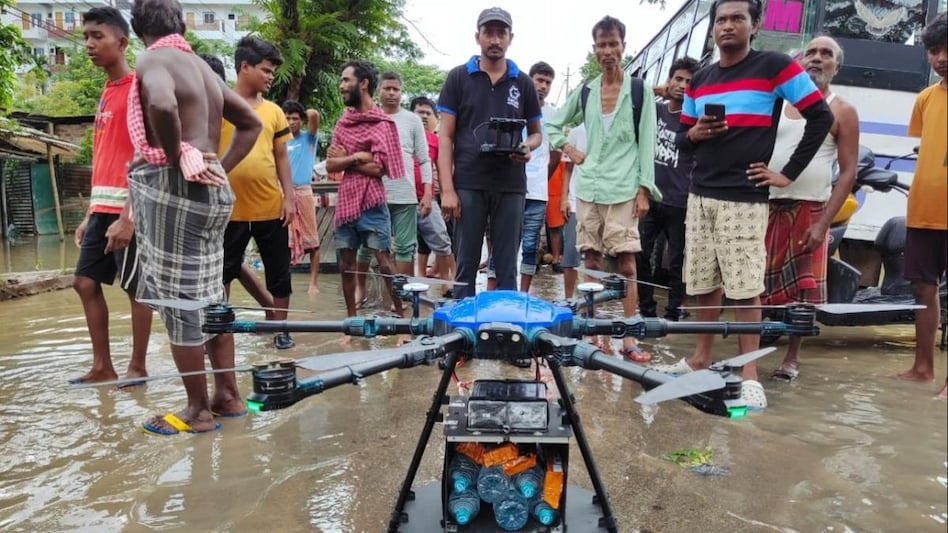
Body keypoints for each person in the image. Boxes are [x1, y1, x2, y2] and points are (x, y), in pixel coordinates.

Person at [654, 0, 834, 410]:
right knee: (701, 282)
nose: (728, 26)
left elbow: (819, 117)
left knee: (745, 288)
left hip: (745, 195)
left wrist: (785, 173)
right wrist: (696, 132)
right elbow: (683, 139)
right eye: (721, 20)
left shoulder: (774, 66)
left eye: (738, 18)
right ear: (713, 29)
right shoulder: (700, 79)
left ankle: (748, 371)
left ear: (755, 25)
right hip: (700, 194)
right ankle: (701, 357)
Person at [127, 0, 261, 434]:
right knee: (210, 296)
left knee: (179, 302)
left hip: (176, 190)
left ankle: (198, 410)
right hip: (212, 191)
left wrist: (176, 157)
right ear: (181, 23)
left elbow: (163, 107)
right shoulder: (202, 68)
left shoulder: (152, 57)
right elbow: (250, 123)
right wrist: (216, 164)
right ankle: (228, 395)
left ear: (136, 27)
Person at [546, 15, 659, 362]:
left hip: (624, 188)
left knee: (626, 263)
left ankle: (629, 335)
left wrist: (645, 190)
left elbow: (646, 144)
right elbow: (552, 123)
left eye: (614, 44)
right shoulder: (586, 91)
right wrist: (569, 147)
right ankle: (594, 331)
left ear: (624, 47)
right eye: (602, 45)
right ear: (594, 49)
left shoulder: (640, 91)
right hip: (590, 188)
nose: (608, 51)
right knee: (590, 260)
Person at [762, 36, 859, 382]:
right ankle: (753, 352)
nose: (817, 59)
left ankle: (792, 358)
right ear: (799, 62)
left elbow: (848, 172)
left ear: (837, 66)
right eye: (811, 53)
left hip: (811, 210)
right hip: (767, 206)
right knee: (756, 287)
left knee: (804, 293)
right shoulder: (777, 102)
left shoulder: (841, 110)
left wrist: (824, 225)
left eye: (826, 54)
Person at [68, 7, 153, 387]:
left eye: (97, 36)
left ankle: (138, 367)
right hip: (103, 207)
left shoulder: (139, 88)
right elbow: (105, 159)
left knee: (136, 288)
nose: (89, 44)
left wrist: (129, 216)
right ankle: (103, 365)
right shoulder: (106, 91)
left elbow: (146, 154)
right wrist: (90, 213)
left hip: (130, 207)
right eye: (86, 36)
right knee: (84, 282)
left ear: (121, 42)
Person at [438, 7, 543, 298]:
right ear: (478, 36)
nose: (495, 39)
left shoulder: (522, 82)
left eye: (501, 33)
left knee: (508, 266)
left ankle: (506, 332)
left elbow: (536, 134)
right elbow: (445, 137)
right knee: (465, 266)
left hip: (510, 185)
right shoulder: (458, 78)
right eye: (489, 32)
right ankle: (461, 336)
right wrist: (447, 189)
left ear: (511, 38)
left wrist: (526, 146)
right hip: (469, 183)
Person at [218, 36, 297, 350]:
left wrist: (289, 197)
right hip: (229, 208)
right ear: (244, 67)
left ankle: (280, 329)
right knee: (222, 272)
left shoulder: (275, 111)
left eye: (272, 71)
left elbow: (281, 157)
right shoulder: (220, 104)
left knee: (279, 273)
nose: (270, 76)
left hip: (270, 206)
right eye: (265, 69)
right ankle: (219, 328)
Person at [326, 60, 405, 342]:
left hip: (372, 202)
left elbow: (380, 169)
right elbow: (331, 165)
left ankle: (403, 322)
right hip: (347, 204)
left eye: (346, 80)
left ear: (363, 84)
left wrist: (347, 159)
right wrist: (359, 157)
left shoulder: (383, 124)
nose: (341, 85)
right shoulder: (343, 122)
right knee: (345, 266)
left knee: (385, 264)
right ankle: (351, 325)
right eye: (341, 80)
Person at [895, 12, 947, 399]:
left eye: (947, 49)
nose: (941, 57)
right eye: (933, 50)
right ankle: (923, 368)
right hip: (924, 210)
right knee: (921, 289)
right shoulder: (926, 98)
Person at [200, 53, 276, 313]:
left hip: (228, 200)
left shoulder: (225, 109)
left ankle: (220, 321)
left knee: (222, 264)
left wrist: (219, 173)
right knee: (227, 262)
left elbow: (253, 130)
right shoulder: (202, 109)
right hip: (219, 199)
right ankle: (266, 308)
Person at [353, 72, 432, 307]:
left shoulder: (413, 120)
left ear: (401, 92)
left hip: (405, 194)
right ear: (378, 91)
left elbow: (424, 159)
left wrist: (427, 193)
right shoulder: (368, 117)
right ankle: (360, 290)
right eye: (387, 88)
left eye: (395, 89)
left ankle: (402, 293)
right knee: (366, 246)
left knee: (405, 247)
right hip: (373, 193)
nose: (391, 93)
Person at [487, 61, 561, 292]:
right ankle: (491, 294)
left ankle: (522, 296)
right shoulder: (513, 105)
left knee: (530, 247)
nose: (543, 86)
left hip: (537, 193)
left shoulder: (553, 115)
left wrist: (541, 180)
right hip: (509, 187)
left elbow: (556, 153)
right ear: (529, 80)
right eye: (539, 80)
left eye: (548, 82)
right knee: (502, 245)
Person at [636, 56, 700, 322]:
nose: (683, 85)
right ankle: (646, 310)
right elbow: (629, 93)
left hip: (680, 200)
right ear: (669, 80)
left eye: (689, 82)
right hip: (649, 197)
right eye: (678, 79)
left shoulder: (695, 119)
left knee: (677, 261)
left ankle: (674, 312)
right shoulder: (655, 111)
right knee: (640, 253)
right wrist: (657, 91)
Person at [411, 96, 456, 293]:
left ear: (434, 117)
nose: (423, 116)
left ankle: (447, 283)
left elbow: (443, 169)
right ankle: (411, 286)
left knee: (442, 240)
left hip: (428, 198)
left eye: (427, 113)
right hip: (402, 200)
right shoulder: (401, 136)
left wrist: (447, 195)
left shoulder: (435, 140)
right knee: (404, 247)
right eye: (419, 112)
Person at [282, 100, 322, 296]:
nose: (291, 122)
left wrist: (304, 113)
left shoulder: (309, 138)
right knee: (282, 241)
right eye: (287, 118)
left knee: (313, 242)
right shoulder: (279, 141)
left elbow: (314, 114)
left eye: (295, 118)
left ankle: (313, 284)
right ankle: (285, 281)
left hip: (304, 192)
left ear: (301, 120)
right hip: (283, 192)